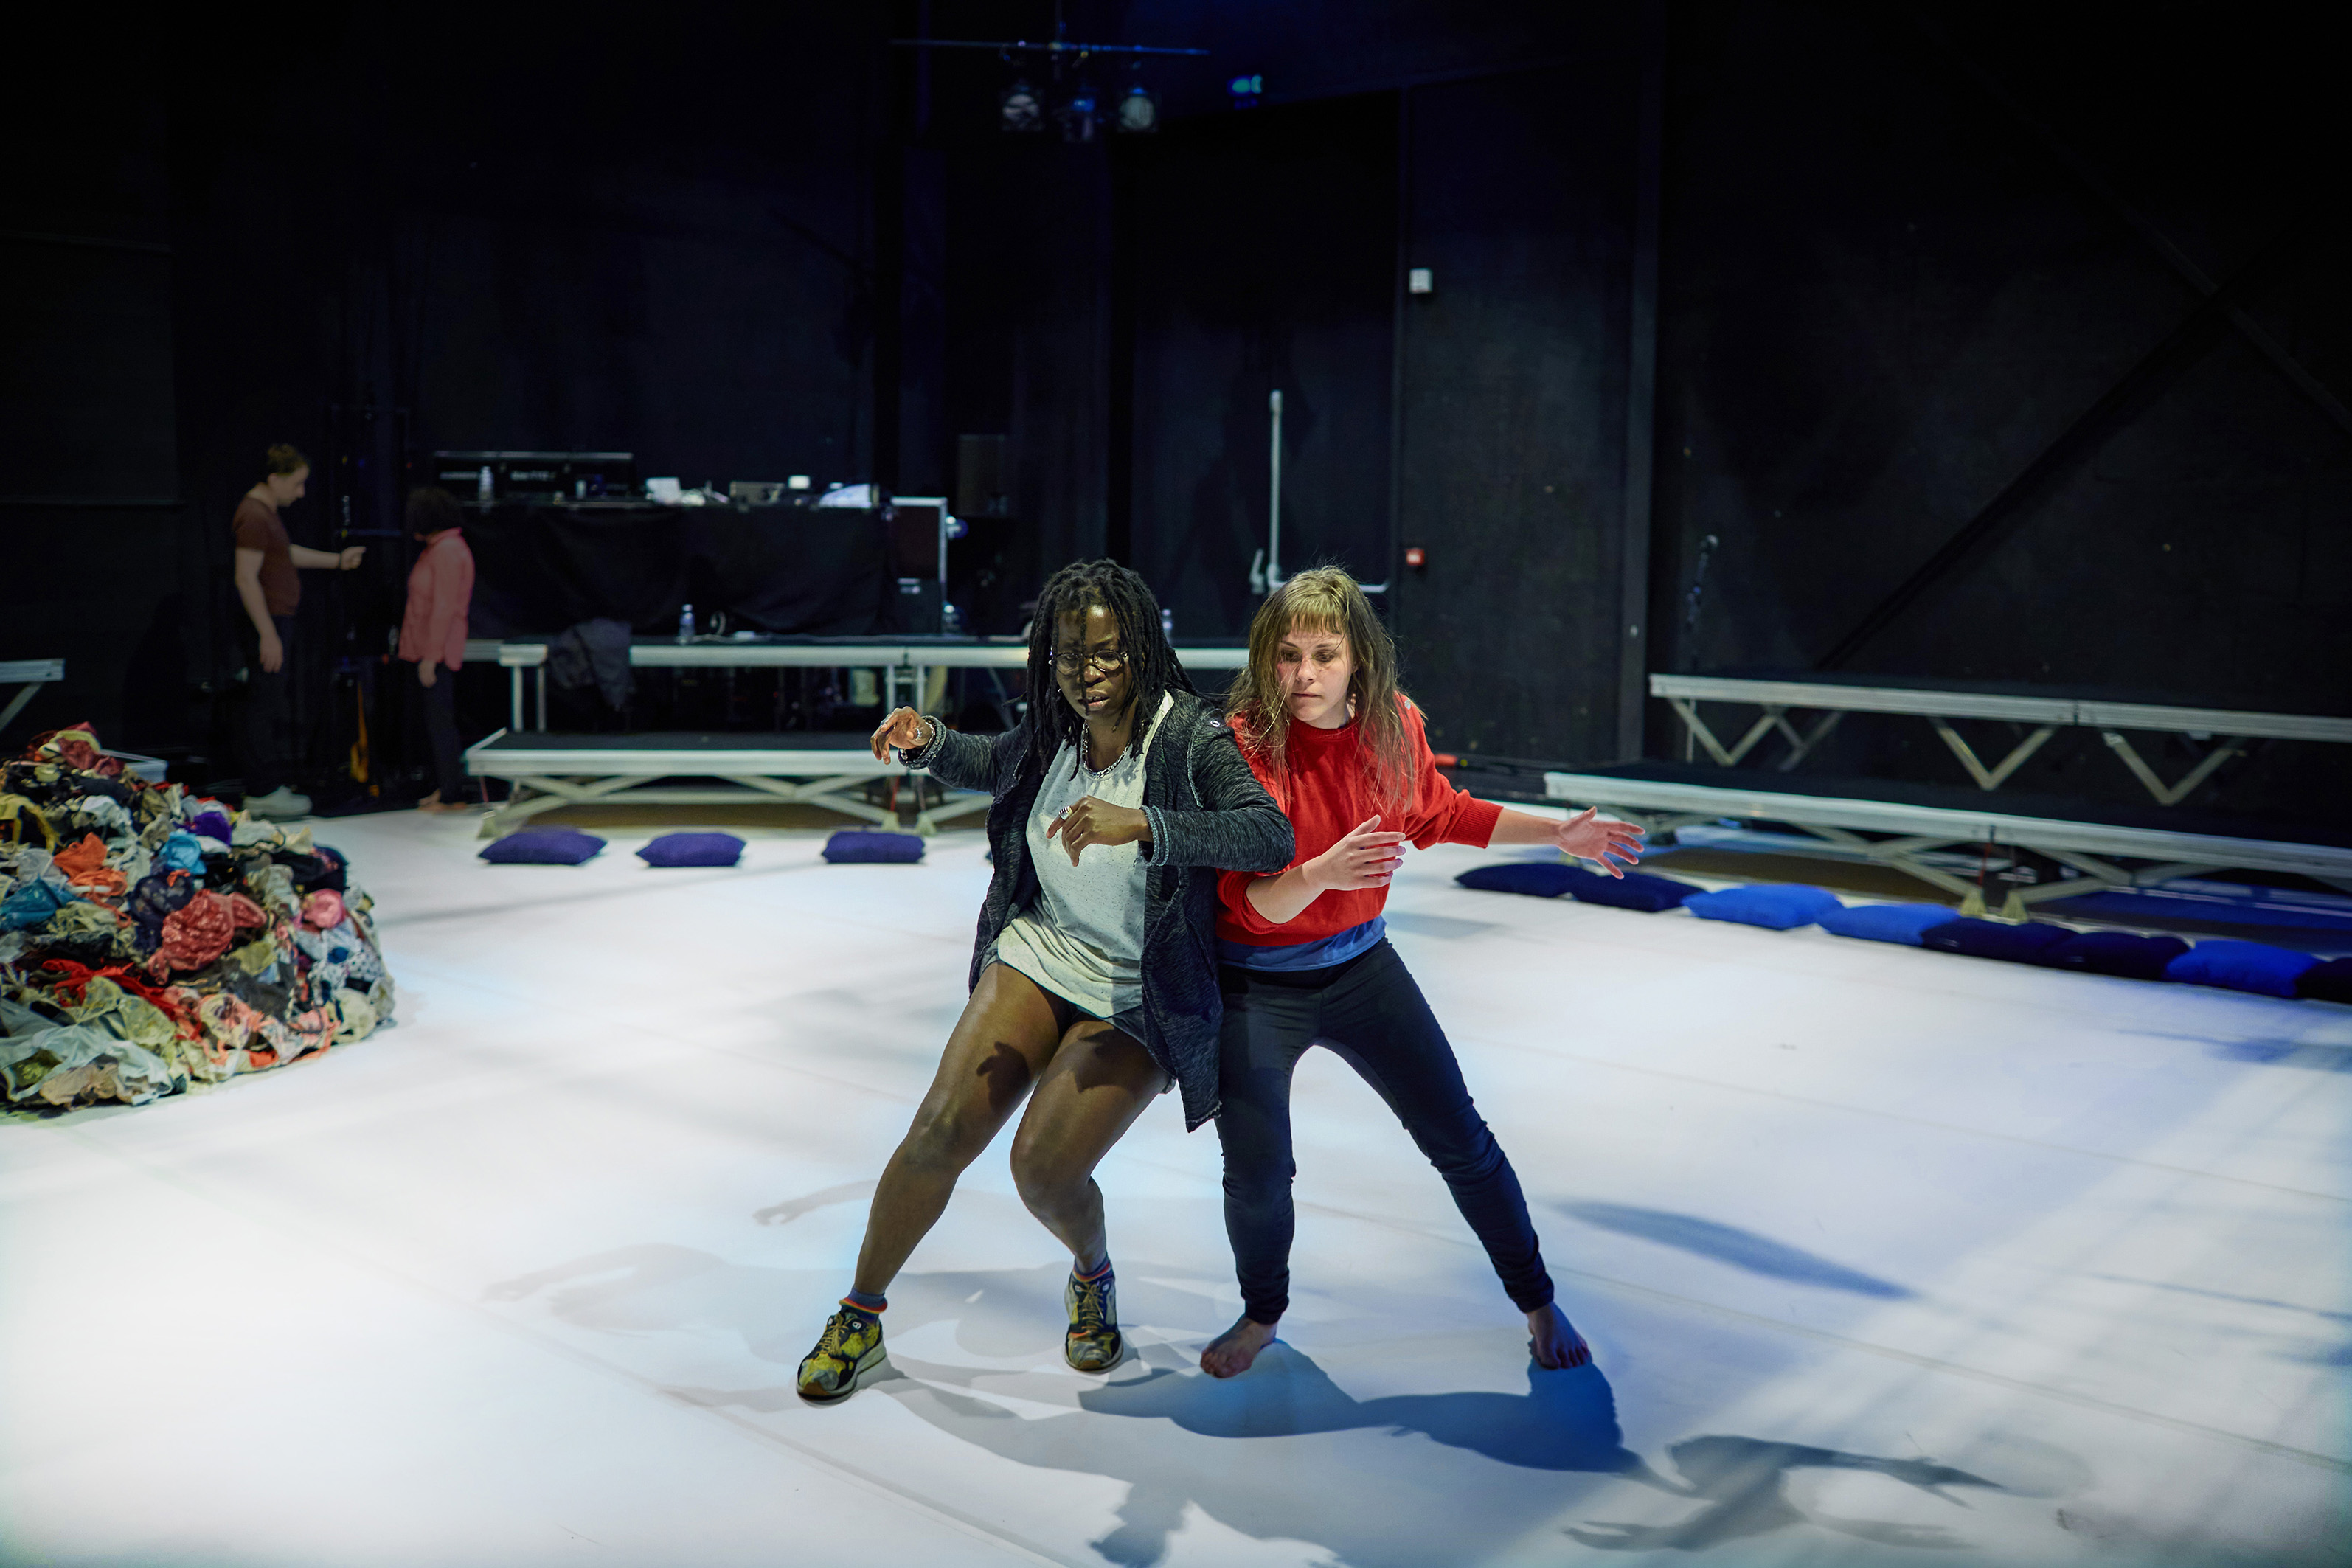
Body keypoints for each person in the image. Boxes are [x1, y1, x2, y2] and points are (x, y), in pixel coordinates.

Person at [795, 560, 1294, 1404]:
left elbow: (1269, 834)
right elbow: (997, 761)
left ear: (1141, 648)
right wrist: (928, 740)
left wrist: (1145, 822)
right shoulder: (1058, 723)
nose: (1086, 672)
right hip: (1040, 948)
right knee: (940, 1128)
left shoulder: (1186, 737)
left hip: (1136, 990)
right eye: (1069, 654)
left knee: (1042, 1169)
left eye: (1106, 653)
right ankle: (860, 1312)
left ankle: (1091, 1269)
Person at [1198, 566, 1647, 1380]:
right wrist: (1320, 874)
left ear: (1358, 661)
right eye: (1288, 655)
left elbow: (1440, 812)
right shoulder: (1238, 746)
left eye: (1324, 655)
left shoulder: (1393, 726)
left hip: (1359, 965)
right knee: (1258, 1175)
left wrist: (1557, 833)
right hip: (1254, 981)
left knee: (1462, 1141)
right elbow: (1244, 905)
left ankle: (1538, 1301)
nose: (1303, 675)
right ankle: (1262, 1312)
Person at [231, 443, 364, 818]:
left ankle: (267, 786)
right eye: (297, 484)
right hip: (269, 621)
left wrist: (337, 561)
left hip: (277, 620)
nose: (301, 493)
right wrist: (267, 633)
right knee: (263, 703)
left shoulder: (266, 514)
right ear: (274, 479)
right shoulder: (254, 514)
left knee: (270, 700)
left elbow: (284, 554)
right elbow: (246, 578)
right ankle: (262, 789)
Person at [398, 487, 476, 814]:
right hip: (427, 649)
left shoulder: (447, 551)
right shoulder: (437, 549)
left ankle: (451, 793)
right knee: (433, 721)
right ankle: (444, 787)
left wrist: (431, 657)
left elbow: (444, 607)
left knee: (441, 721)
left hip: (438, 651)